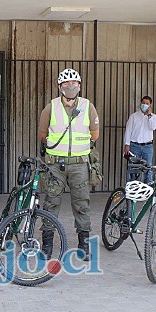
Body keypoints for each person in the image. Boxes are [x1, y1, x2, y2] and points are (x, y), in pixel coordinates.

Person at [39, 68, 100, 261]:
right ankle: (47, 244)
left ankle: (84, 245)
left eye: (74, 83)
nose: (70, 87)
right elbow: (42, 135)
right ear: (59, 87)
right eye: (66, 84)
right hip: (55, 165)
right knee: (51, 203)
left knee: (82, 204)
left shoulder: (88, 106)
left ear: (80, 86)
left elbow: (95, 134)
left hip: (80, 165)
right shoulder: (51, 107)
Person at [123, 95, 156, 183]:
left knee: (148, 168)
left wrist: (149, 116)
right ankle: (133, 188)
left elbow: (153, 127)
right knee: (133, 168)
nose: (144, 105)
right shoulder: (134, 116)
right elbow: (128, 130)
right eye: (143, 103)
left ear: (150, 105)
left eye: (147, 103)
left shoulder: (153, 117)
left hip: (147, 146)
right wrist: (127, 145)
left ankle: (148, 188)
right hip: (135, 146)